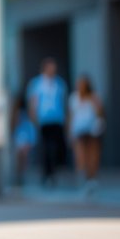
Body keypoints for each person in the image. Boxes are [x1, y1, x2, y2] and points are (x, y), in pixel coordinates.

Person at [26, 57, 68, 187]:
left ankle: (53, 173)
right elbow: (33, 102)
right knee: (46, 148)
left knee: (56, 148)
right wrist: (34, 119)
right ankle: (47, 174)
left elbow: (64, 102)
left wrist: (66, 119)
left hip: (57, 119)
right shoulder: (37, 84)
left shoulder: (59, 83)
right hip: (43, 120)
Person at [68, 74, 104, 194]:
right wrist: (69, 131)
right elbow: (71, 116)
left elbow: (100, 113)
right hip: (79, 130)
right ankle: (82, 179)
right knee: (80, 155)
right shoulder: (74, 98)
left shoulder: (94, 97)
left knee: (92, 155)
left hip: (91, 130)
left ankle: (92, 178)